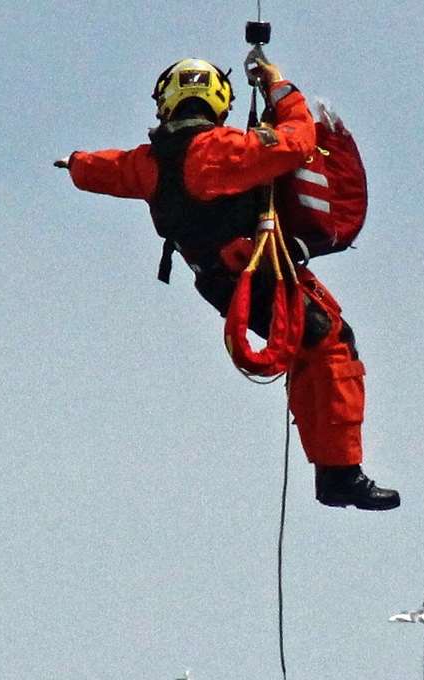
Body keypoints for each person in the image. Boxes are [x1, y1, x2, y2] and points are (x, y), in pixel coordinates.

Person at [54, 50, 399, 511]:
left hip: (222, 283)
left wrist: (75, 162)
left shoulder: (148, 164)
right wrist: (281, 89)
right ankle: (340, 473)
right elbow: (298, 142)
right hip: (257, 275)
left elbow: (104, 168)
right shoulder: (225, 150)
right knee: (334, 345)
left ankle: (335, 471)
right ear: (217, 100)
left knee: (310, 350)